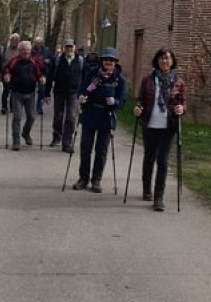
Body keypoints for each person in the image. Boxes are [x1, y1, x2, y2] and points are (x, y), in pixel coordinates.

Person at [133, 47, 187, 212]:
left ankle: (158, 197)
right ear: (157, 60)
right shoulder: (148, 80)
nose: (165, 61)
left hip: (167, 126)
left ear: (172, 61)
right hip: (150, 124)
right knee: (149, 157)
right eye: (162, 58)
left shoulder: (178, 82)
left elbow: (184, 103)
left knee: (162, 161)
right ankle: (146, 189)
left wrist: (181, 109)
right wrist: (138, 108)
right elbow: (140, 99)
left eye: (168, 58)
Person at [73, 47, 126, 193]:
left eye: (111, 60)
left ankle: (96, 180)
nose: (108, 62)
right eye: (106, 59)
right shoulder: (92, 73)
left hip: (107, 117)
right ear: (102, 61)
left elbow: (122, 100)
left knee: (101, 150)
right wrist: (81, 97)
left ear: (115, 62)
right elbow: (82, 89)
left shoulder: (118, 79)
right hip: (90, 114)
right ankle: (83, 178)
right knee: (85, 148)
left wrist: (114, 102)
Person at [3, 40, 45, 150]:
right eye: (23, 50)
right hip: (17, 93)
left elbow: (40, 73)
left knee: (31, 117)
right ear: (19, 50)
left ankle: (25, 133)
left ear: (30, 50)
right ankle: (16, 141)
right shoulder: (14, 61)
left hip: (31, 93)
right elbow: (7, 70)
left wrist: (41, 79)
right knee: (17, 117)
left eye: (27, 50)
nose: (25, 52)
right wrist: (7, 76)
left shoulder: (34, 62)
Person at [45, 38, 83, 153]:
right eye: (67, 47)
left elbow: (84, 77)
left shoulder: (80, 61)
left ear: (74, 48)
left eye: (71, 47)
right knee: (58, 116)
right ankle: (56, 137)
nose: (69, 49)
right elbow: (50, 76)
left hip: (73, 93)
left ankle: (67, 143)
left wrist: (84, 93)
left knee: (71, 118)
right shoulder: (57, 60)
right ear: (64, 48)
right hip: (59, 92)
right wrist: (47, 93)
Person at [1, 32, 20, 114]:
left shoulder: (20, 50)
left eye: (17, 40)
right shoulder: (5, 49)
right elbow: (1, 61)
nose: (15, 41)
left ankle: (12, 107)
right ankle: (4, 107)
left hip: (16, 73)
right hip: (6, 72)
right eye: (13, 40)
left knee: (14, 91)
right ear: (10, 40)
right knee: (6, 90)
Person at [31, 36, 51, 114]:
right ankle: (30, 106)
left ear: (42, 43)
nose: (38, 44)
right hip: (32, 72)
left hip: (42, 73)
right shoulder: (31, 50)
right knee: (31, 89)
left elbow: (51, 59)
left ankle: (39, 107)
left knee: (42, 90)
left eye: (40, 43)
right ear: (35, 43)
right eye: (37, 43)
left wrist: (48, 61)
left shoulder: (46, 50)